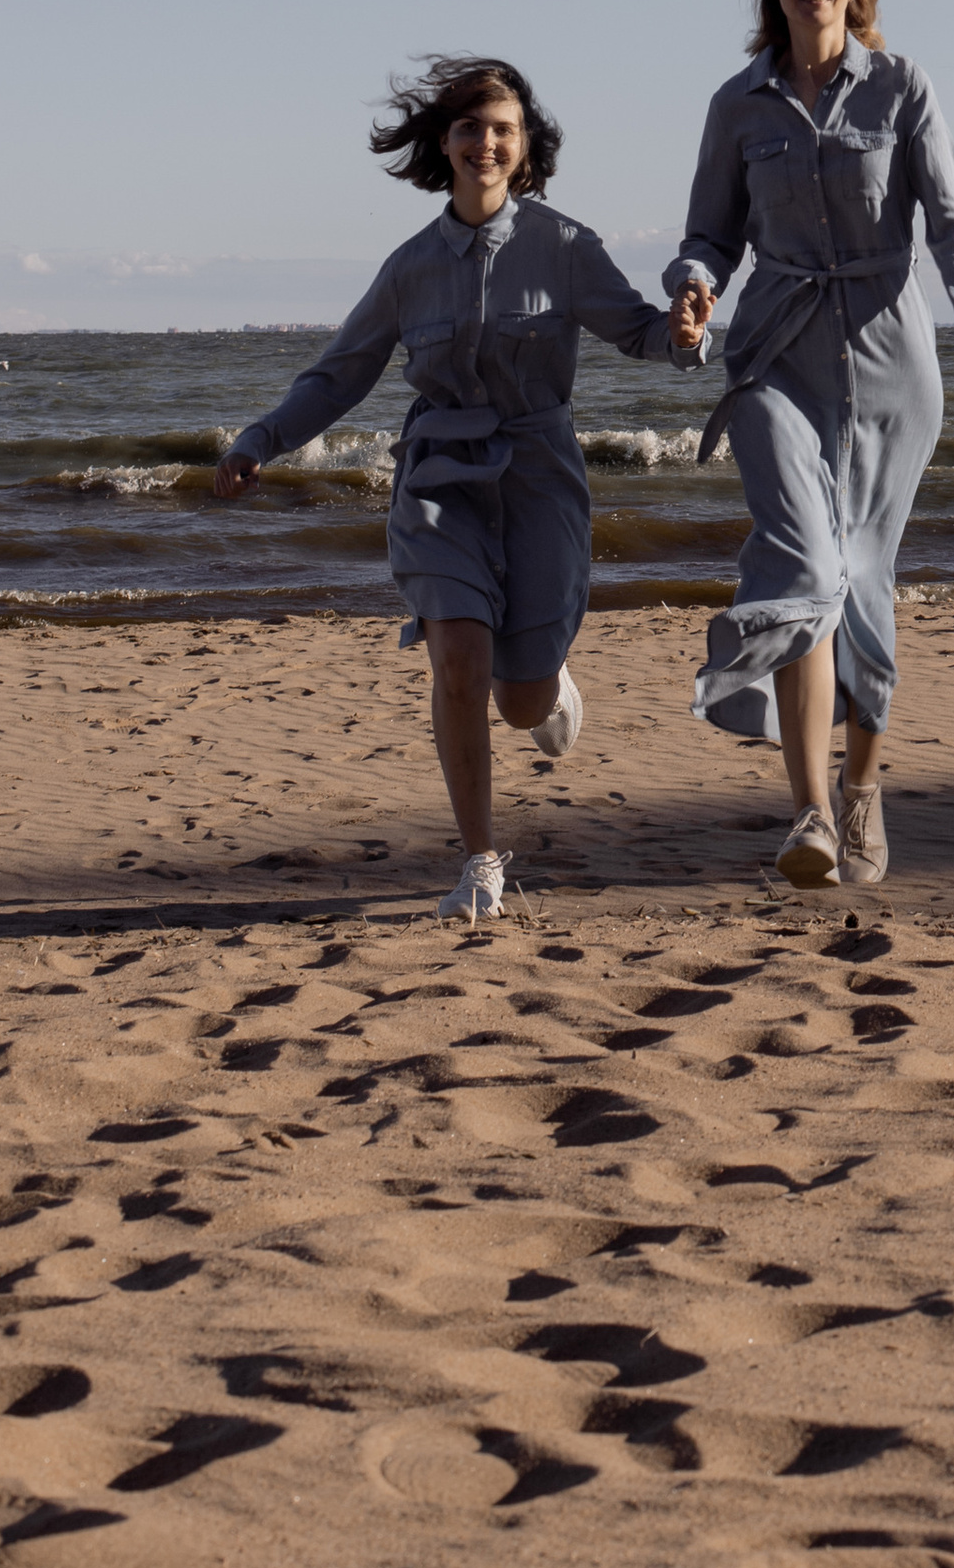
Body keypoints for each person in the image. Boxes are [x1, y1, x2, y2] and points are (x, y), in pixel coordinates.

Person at [213, 56, 692, 926]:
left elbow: (638, 332)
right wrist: (261, 439)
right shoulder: (409, 267)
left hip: (539, 477)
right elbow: (341, 372)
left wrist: (685, 334)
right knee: (460, 662)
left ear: (525, 147)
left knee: (520, 699)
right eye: (470, 127)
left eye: (503, 129)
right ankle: (479, 862)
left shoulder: (565, 246)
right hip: (439, 480)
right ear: (445, 142)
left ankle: (548, 682)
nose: (486, 143)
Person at [668, 0, 954, 890]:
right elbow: (710, 234)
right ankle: (810, 814)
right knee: (804, 563)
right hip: (774, 356)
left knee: (861, 580)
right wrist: (693, 289)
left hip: (889, 359)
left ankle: (860, 786)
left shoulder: (902, 86)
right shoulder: (737, 105)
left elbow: (952, 222)